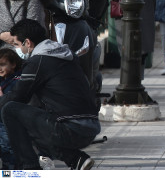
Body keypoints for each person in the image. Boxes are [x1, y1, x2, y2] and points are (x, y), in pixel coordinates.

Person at [1, 19, 100, 170]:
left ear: (27, 42)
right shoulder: (66, 54)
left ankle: (29, 167)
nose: (17, 49)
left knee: (10, 110)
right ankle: (75, 159)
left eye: (17, 44)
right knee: (33, 112)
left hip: (70, 129)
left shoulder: (37, 61)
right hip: (91, 127)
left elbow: (17, 97)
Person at [0, 48, 22, 169]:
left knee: (8, 149)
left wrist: (2, 98)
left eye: (3, 65)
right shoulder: (2, 80)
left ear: (13, 64)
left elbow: (16, 98)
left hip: (8, 123)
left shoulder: (17, 80)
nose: (0, 68)